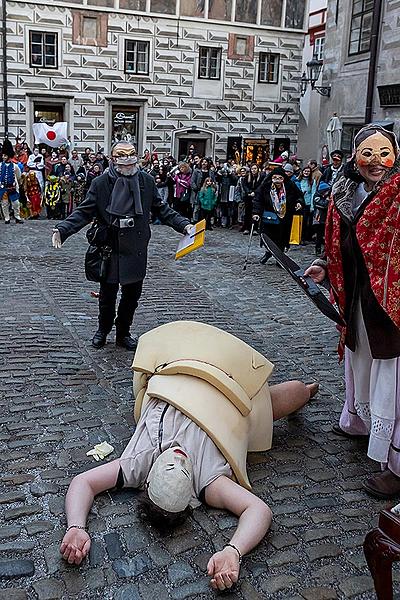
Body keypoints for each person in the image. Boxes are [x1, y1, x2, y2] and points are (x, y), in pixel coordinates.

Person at [59, 320, 319, 590]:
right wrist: (233, 551)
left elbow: (84, 482)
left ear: (148, 481)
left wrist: (76, 526)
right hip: (228, 388)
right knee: (295, 392)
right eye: (183, 470)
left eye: (168, 466)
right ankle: (310, 391)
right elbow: (258, 509)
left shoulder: (137, 464)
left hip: (182, 365)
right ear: (190, 499)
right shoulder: (207, 482)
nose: (179, 457)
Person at [304, 125, 400, 498]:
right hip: (358, 298)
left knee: (391, 376)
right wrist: (325, 267)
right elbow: (338, 242)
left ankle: (396, 464)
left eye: (385, 153)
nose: (377, 162)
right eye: (368, 153)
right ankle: (359, 421)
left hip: (390, 303)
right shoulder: (344, 192)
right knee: (360, 361)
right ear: (354, 156)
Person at [52, 141, 192, 351]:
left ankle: (123, 332)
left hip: (136, 248)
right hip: (110, 247)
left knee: (131, 297)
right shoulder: (100, 183)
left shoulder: (146, 180)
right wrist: (63, 229)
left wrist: (184, 225)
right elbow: (84, 211)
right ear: (113, 159)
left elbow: (162, 209)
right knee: (107, 297)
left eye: (131, 158)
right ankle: (103, 329)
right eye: (122, 159)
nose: (128, 163)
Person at [253, 167, 304, 264]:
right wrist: (256, 213)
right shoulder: (265, 187)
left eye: (280, 178)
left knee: (282, 238)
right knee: (268, 237)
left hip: (285, 217)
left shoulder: (290, 186)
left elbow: (299, 196)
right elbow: (257, 200)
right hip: (269, 216)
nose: (277, 180)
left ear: (283, 178)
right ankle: (268, 253)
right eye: (275, 178)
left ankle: (279, 258)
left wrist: (299, 203)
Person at [0, 139, 23, 224]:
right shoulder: (0, 165)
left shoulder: (15, 166)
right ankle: (7, 218)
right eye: (3, 155)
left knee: (16, 203)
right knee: (4, 203)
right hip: (3, 187)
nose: (3, 157)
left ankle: (17, 216)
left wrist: (16, 184)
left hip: (12, 186)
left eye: (5, 155)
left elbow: (18, 176)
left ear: (9, 156)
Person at [296, 166, 316, 243]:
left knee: (306, 222)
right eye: (305, 171)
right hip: (299, 203)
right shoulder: (298, 180)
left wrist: (312, 206)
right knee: (299, 221)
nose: (306, 173)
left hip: (307, 203)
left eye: (308, 171)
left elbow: (313, 193)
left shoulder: (312, 181)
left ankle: (304, 237)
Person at [312, 181, 331, 256]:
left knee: (326, 235)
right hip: (319, 219)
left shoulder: (326, 195)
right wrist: (327, 200)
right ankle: (318, 249)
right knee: (319, 235)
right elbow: (324, 205)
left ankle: (325, 250)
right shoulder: (317, 197)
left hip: (326, 218)